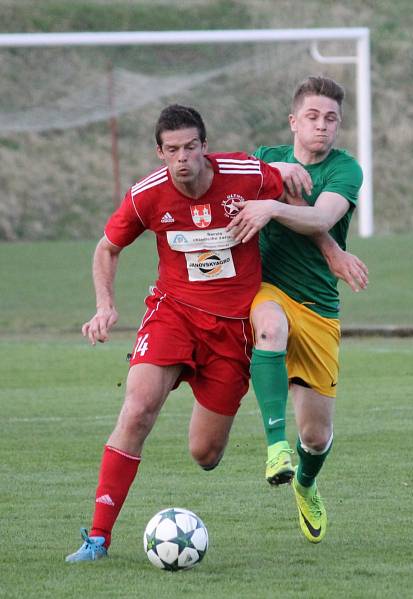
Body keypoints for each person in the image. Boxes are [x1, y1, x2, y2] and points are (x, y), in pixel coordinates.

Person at [66, 104, 285, 562]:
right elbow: (107, 248)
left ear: (205, 147)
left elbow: (290, 196)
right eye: (172, 150)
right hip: (174, 314)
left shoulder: (247, 175)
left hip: (231, 330)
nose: (183, 157)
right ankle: (98, 538)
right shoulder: (147, 195)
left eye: (190, 147)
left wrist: (325, 245)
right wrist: (105, 305)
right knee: (138, 409)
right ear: (160, 153)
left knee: (205, 455)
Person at [227, 76, 365, 543]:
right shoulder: (266, 159)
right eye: (312, 117)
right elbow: (221, 180)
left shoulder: (347, 169)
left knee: (318, 436)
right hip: (268, 288)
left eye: (331, 119)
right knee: (268, 326)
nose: (322, 127)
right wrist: (267, 189)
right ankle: (274, 448)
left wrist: (273, 206)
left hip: (320, 306)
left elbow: (321, 217)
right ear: (293, 121)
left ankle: (305, 484)